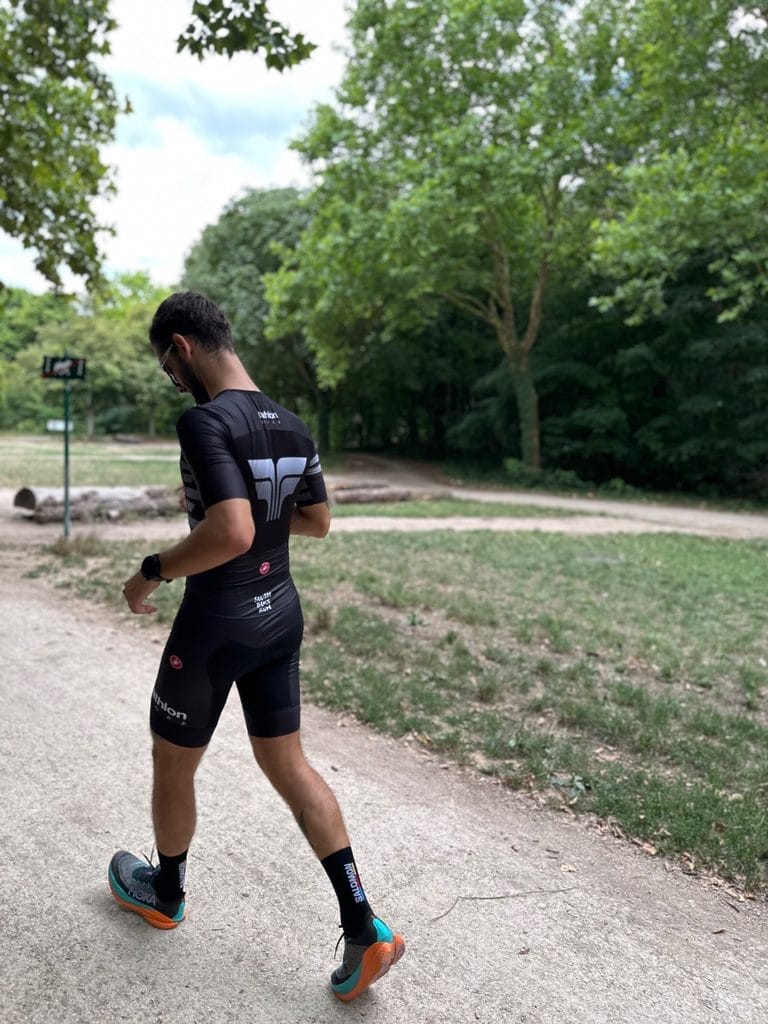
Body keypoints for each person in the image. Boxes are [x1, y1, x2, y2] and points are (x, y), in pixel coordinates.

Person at [108, 291, 404, 1002]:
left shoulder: (205, 421)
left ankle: (166, 893)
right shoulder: (291, 423)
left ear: (181, 347)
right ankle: (362, 924)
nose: (173, 380)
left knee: (173, 760)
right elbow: (317, 519)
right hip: (280, 615)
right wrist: (260, 520)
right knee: (290, 764)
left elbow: (232, 531)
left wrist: (150, 571)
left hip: (216, 624)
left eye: (168, 367)